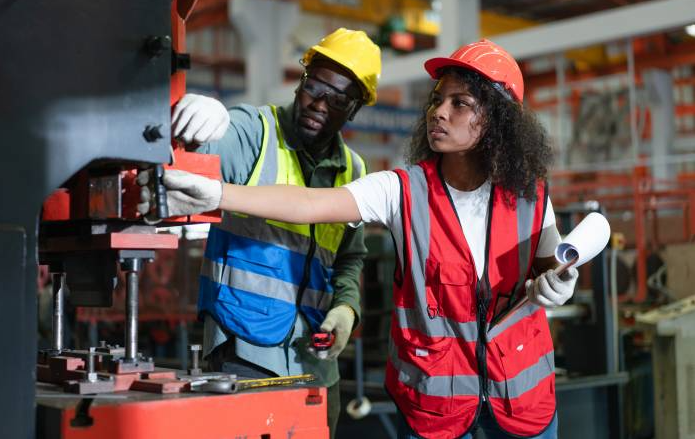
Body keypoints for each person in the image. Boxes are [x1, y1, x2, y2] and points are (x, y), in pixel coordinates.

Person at [140, 39, 577, 439]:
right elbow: (308, 203)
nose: (438, 112)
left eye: (459, 103)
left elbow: (548, 262)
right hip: (434, 403)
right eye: (436, 99)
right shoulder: (401, 189)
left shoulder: (530, 194)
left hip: (521, 399)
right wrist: (219, 192)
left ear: (498, 121)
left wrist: (560, 282)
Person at [143, 28, 381, 438]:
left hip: (317, 365)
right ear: (302, 80)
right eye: (315, 86)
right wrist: (194, 126)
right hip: (242, 354)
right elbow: (189, 163)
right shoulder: (255, 133)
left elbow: (348, 258)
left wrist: (346, 309)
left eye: (339, 98)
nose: (320, 103)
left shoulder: (354, 171)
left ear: (354, 110)